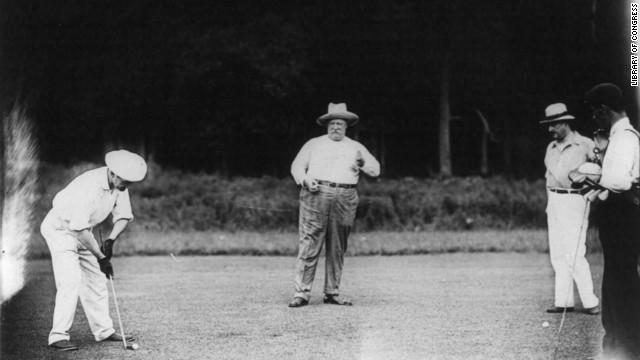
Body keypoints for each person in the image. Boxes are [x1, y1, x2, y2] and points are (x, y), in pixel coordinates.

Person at [40, 150, 147, 351]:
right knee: (70, 280)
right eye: (126, 181)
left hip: (83, 230)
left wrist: (110, 240)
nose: (128, 186)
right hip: (61, 229)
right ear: (113, 173)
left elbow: (123, 215)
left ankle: (104, 331)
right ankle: (58, 336)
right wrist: (100, 257)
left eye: (131, 182)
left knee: (98, 279)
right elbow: (77, 229)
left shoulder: (120, 185)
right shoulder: (90, 187)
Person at [288, 103, 380, 307]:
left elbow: (375, 170)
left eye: (339, 123)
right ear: (326, 126)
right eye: (332, 123)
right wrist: (305, 180)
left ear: (346, 126)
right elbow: (297, 166)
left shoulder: (356, 147)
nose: (335, 127)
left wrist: (362, 162)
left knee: (337, 245)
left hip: (345, 196)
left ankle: (332, 291)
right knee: (310, 242)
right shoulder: (314, 144)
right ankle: (301, 293)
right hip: (316, 193)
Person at [584, 83, 640, 360]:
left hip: (624, 215)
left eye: (596, 113)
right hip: (620, 215)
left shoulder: (625, 137)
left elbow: (618, 180)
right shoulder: (617, 137)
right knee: (617, 277)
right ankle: (618, 339)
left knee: (622, 279)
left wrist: (597, 178)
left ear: (605, 110)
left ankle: (626, 344)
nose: (595, 118)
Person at [540, 103, 601, 315]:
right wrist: (551, 204)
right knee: (557, 254)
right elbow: (549, 177)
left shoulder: (585, 144)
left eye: (553, 125)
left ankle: (590, 302)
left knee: (575, 252)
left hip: (575, 200)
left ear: (565, 122)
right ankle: (563, 301)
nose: (550, 130)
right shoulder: (551, 147)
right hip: (555, 200)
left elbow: (597, 174)